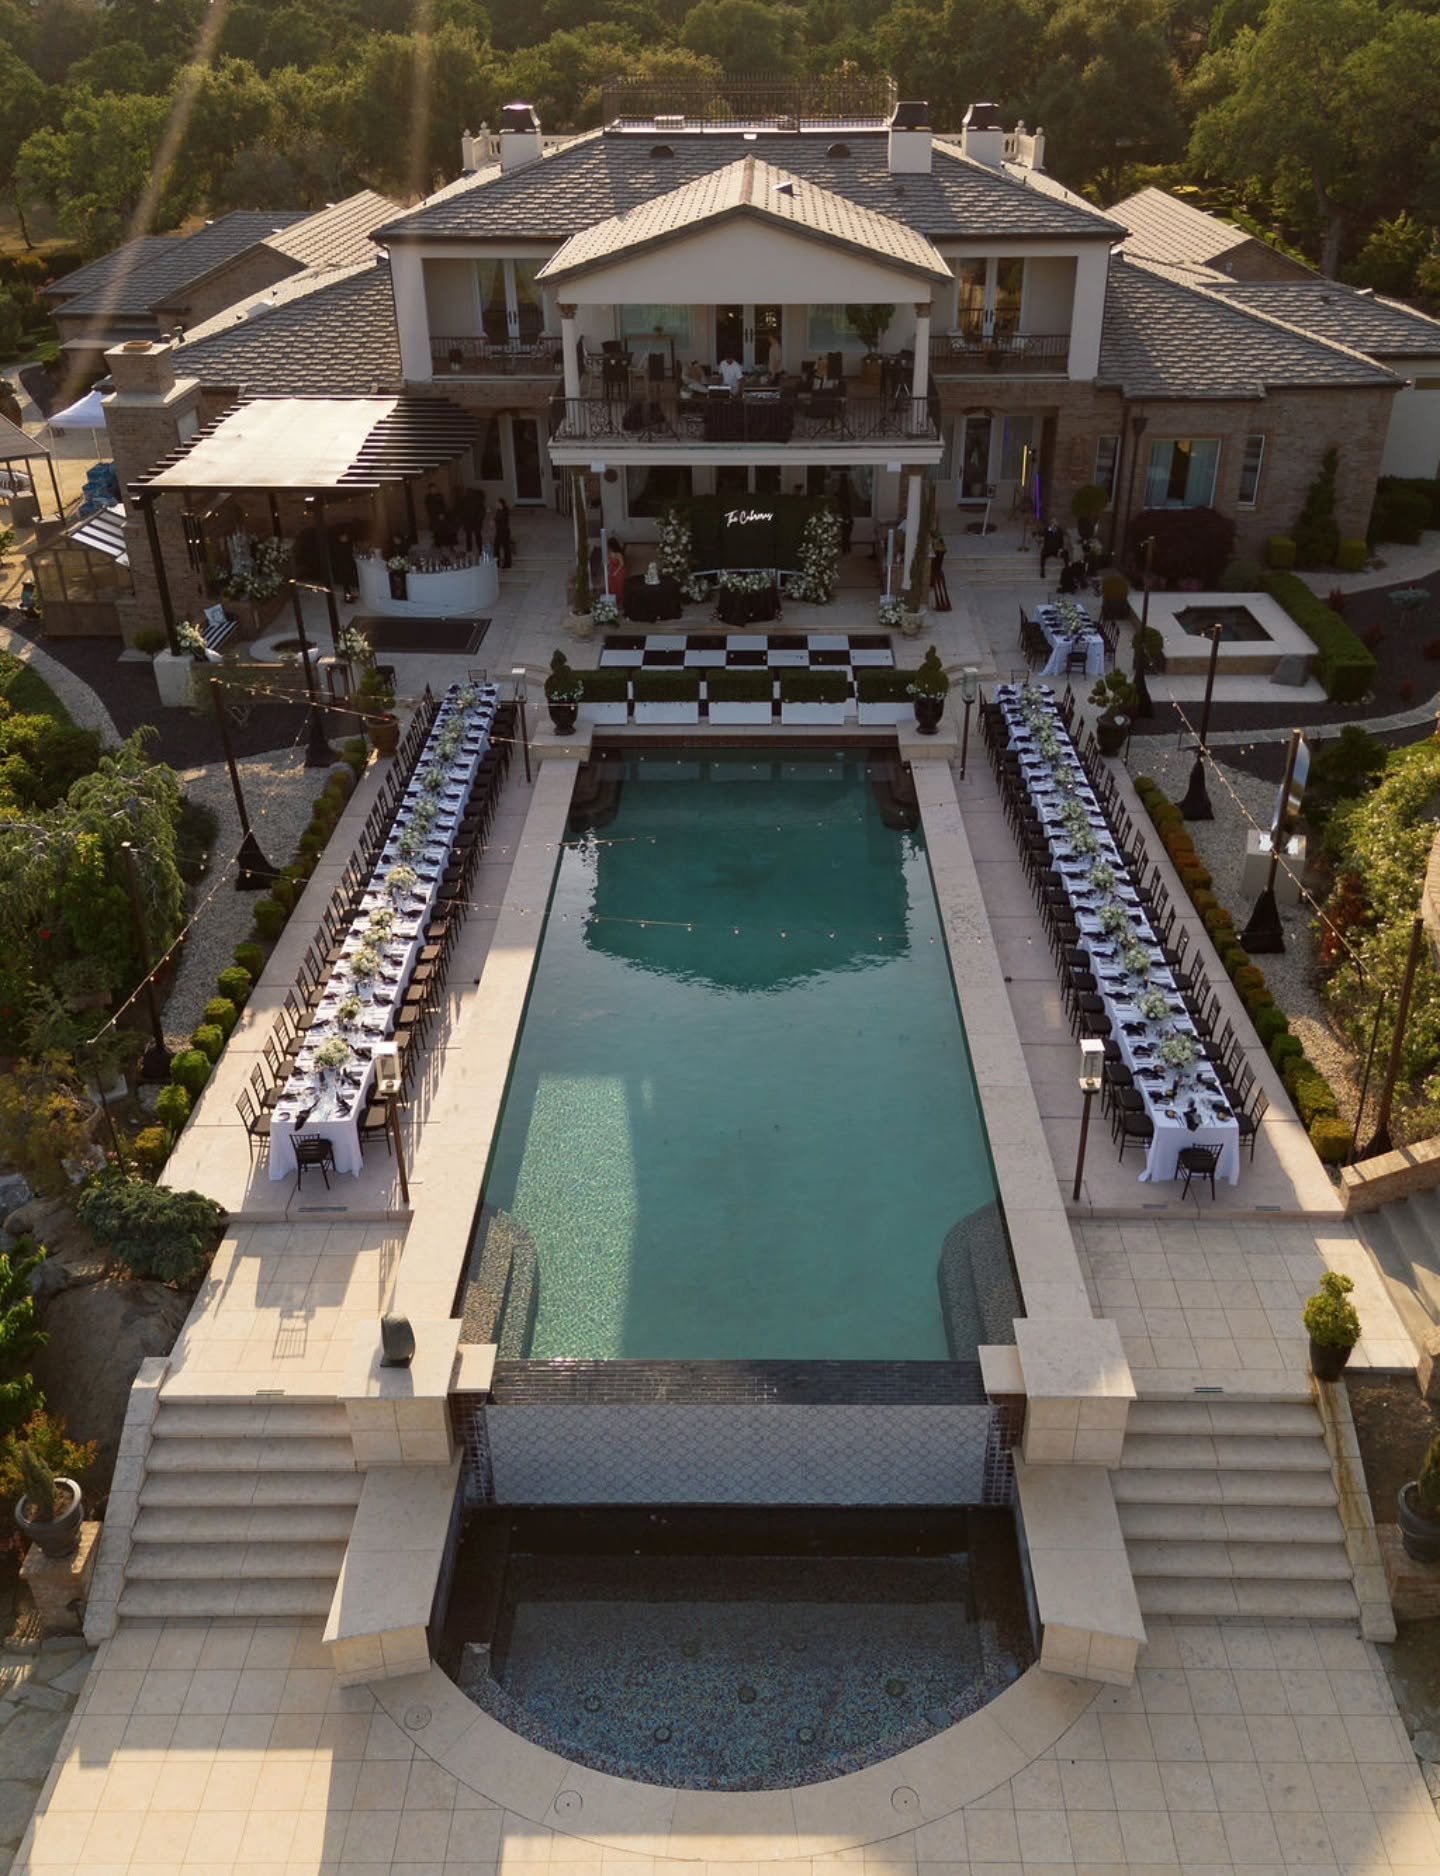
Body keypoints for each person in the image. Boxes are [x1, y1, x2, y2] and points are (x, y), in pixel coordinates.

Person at [494, 498, 513, 569]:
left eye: (497, 503)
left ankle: (507, 563)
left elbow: (501, 519)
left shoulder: (505, 511)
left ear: (501, 504)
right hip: (499, 532)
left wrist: (495, 521)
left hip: (504, 532)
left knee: (506, 548)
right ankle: (497, 563)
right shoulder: (498, 511)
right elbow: (497, 518)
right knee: (496, 547)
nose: (496, 504)